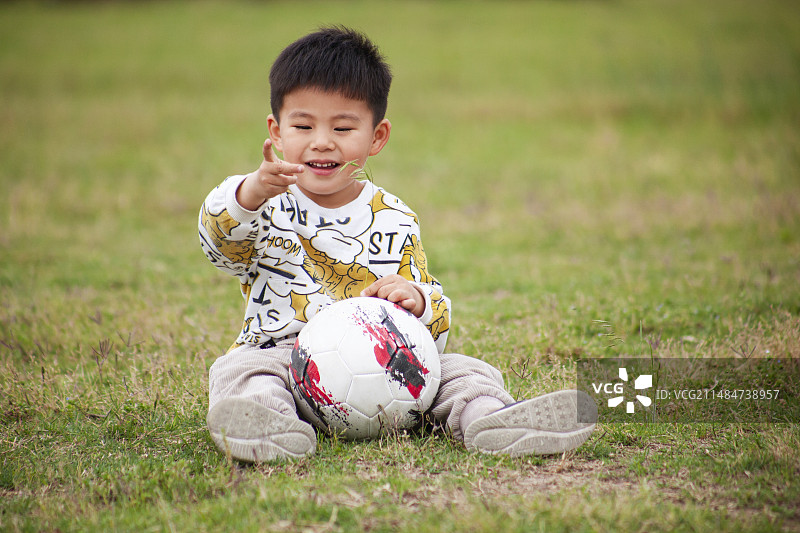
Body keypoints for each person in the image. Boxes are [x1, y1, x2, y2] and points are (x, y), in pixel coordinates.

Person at [199, 26, 596, 462]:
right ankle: (268, 426)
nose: (322, 141)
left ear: (377, 137)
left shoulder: (395, 217)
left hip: (389, 369)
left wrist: (418, 301)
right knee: (242, 369)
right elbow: (219, 246)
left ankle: (491, 419)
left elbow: (434, 325)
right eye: (303, 125)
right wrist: (249, 192)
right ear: (276, 132)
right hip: (288, 362)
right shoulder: (263, 205)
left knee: (461, 371)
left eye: (344, 126)